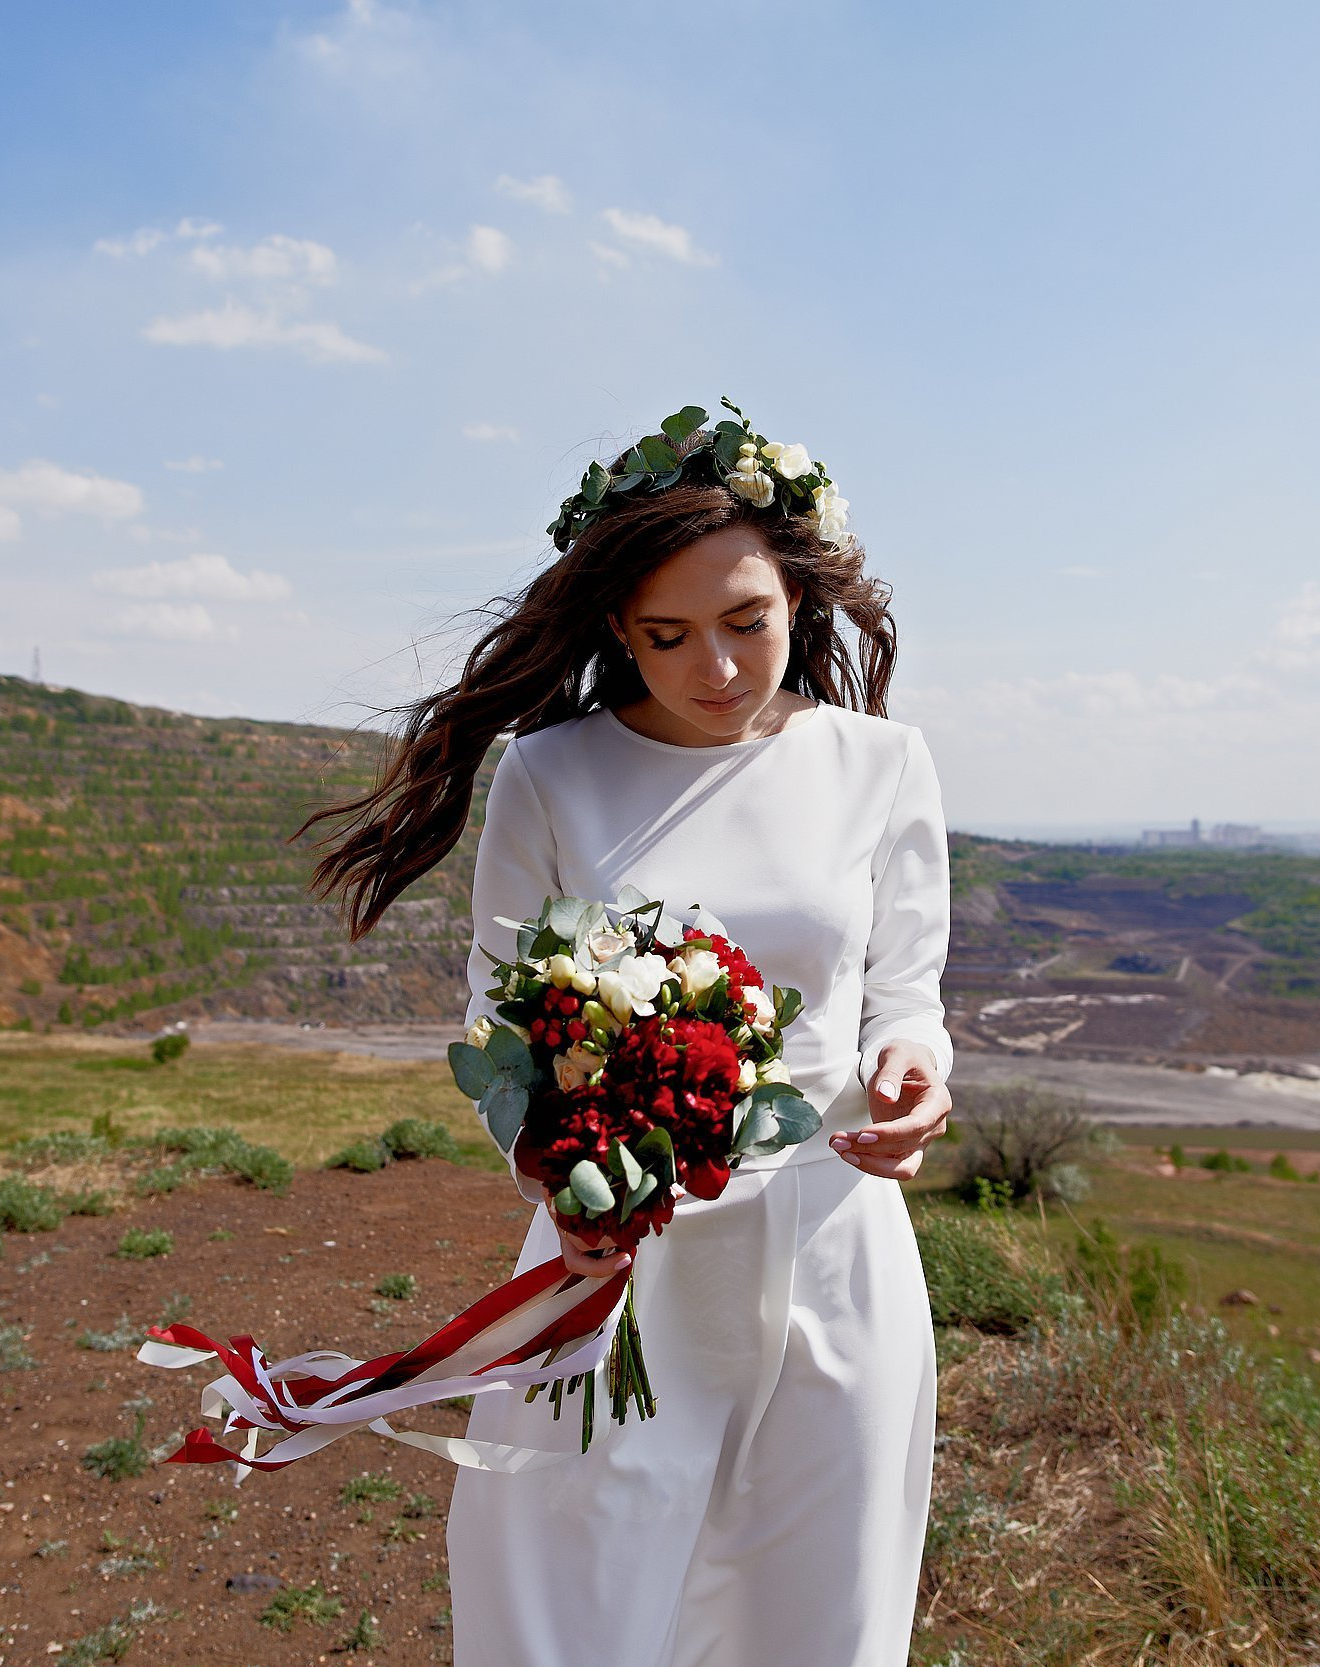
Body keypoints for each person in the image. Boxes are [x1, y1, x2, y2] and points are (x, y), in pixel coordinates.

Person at [305, 403, 953, 1667]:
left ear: (798, 600)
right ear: (617, 628)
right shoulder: (551, 773)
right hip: (620, 1250)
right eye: (668, 635)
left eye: (746, 622)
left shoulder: (882, 764)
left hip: (831, 1248)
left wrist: (913, 1070)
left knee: (817, 1605)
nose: (714, 666)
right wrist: (553, 1169)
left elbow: (905, 992)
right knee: (578, 1590)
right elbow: (500, 1031)